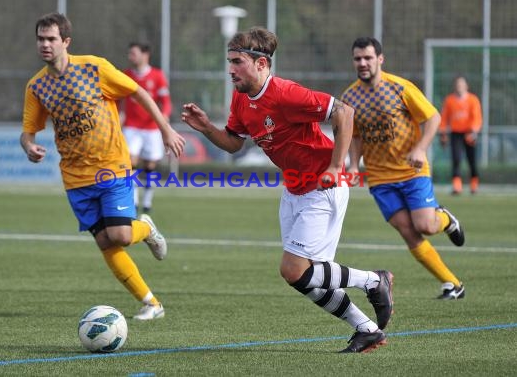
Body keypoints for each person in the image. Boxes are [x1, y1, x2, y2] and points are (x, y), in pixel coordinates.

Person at [181, 27, 393, 353]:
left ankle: (375, 281)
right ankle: (366, 329)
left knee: (294, 270)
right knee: (307, 279)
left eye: (237, 62)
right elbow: (234, 144)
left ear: (262, 64)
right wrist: (207, 127)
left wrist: (337, 166)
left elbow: (344, 112)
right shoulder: (240, 98)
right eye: (230, 61)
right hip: (293, 190)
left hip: (323, 188)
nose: (231, 69)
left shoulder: (284, 93)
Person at [20, 12, 185, 320]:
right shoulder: (37, 87)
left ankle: (145, 228)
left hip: (112, 166)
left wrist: (165, 129)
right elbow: (28, 131)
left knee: (121, 235)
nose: (45, 44)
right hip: (74, 177)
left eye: (51, 39)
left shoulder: (94, 68)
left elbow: (137, 91)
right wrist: (29, 146)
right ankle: (151, 303)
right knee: (104, 241)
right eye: (41, 39)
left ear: (66, 42)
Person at [342, 37, 466, 300]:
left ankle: (445, 219)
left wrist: (420, 148)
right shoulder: (350, 97)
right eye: (357, 59)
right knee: (408, 231)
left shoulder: (399, 87)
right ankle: (452, 283)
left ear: (380, 59)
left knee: (426, 225)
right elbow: (355, 135)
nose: (362, 63)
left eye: (368, 58)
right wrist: (354, 165)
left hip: (411, 172)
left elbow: (433, 117)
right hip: (379, 178)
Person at [120, 42, 172, 215]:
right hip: (131, 127)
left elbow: (165, 101)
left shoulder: (157, 76)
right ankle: (133, 200)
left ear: (145, 55)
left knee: (150, 165)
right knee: (130, 162)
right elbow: (116, 98)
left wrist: (163, 117)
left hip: (151, 128)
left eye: (133, 53)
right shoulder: (126, 75)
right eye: (129, 53)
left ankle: (147, 201)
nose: (130, 57)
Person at [439, 76, 482, 194]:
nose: (459, 87)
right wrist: (442, 132)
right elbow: (444, 117)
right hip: (456, 133)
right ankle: (457, 187)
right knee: (456, 159)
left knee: (471, 160)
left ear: (466, 86)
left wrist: (474, 131)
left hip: (469, 133)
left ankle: (474, 186)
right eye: (458, 85)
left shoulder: (473, 99)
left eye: (462, 84)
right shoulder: (449, 100)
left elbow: (477, 117)